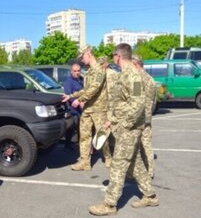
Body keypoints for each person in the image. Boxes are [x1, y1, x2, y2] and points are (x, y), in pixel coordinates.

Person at [88, 43, 159, 216]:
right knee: (135, 163)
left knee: (118, 165)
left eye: (113, 56)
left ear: (117, 56)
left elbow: (138, 104)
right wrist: (110, 121)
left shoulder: (133, 76)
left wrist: (125, 124)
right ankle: (150, 195)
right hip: (123, 126)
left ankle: (109, 204)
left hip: (130, 128)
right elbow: (120, 103)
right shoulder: (124, 74)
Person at [62, 45, 112, 171]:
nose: (81, 61)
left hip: (99, 108)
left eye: (82, 57)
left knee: (102, 135)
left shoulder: (100, 70)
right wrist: (71, 96)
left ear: (88, 53)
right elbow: (85, 89)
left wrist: (80, 100)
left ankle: (108, 157)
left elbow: (94, 89)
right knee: (84, 135)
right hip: (88, 108)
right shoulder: (89, 71)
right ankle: (85, 162)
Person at [132, 54, 156, 178]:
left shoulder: (137, 79)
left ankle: (136, 172)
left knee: (135, 144)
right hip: (147, 116)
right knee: (146, 144)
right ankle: (150, 169)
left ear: (136, 64)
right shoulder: (150, 79)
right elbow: (154, 100)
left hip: (138, 117)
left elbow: (135, 98)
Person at [63, 62, 84, 150]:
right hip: (73, 109)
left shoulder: (82, 79)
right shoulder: (68, 81)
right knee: (72, 127)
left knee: (82, 128)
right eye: (75, 71)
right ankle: (68, 145)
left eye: (78, 70)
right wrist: (77, 101)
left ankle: (81, 145)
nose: (77, 72)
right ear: (71, 71)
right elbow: (68, 95)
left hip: (83, 108)